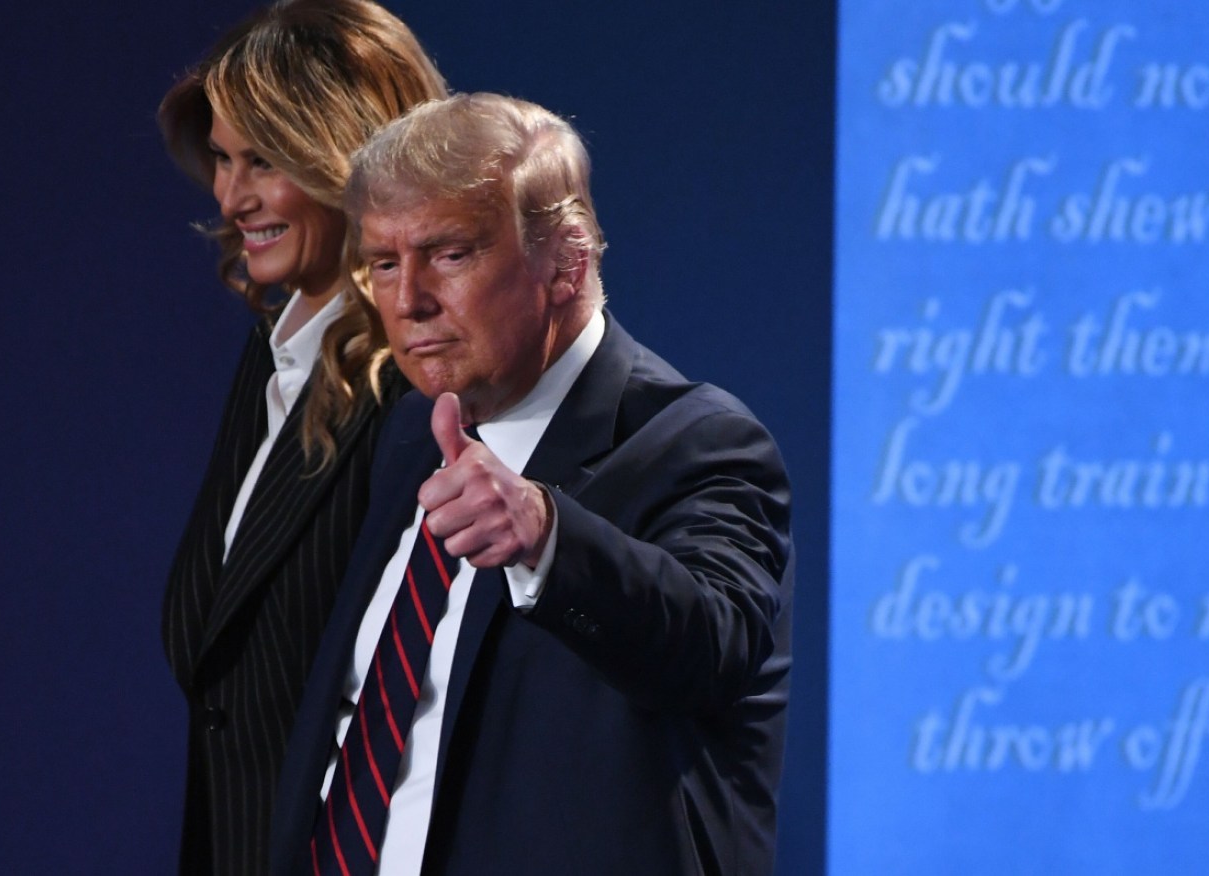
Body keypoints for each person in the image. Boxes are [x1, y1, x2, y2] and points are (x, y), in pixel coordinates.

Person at [271, 93, 793, 876]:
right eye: (384, 263)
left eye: (449, 254)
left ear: (565, 264)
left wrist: (547, 535)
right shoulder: (414, 431)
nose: (408, 300)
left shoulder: (697, 441)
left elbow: (712, 644)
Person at [156, 2, 446, 872]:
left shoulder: (422, 393)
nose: (229, 196)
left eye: (263, 161)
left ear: (353, 162)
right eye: (221, 157)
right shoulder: (273, 362)